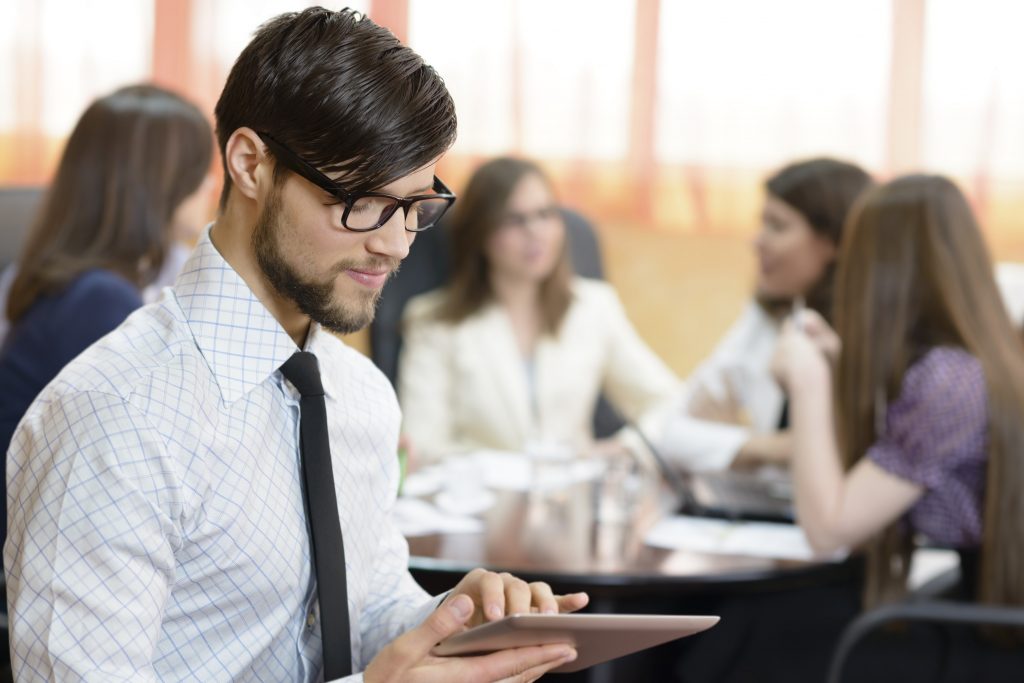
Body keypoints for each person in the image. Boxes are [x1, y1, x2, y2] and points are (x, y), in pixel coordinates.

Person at [4, 9, 585, 683]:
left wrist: (454, 623)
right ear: (250, 164)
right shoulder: (113, 416)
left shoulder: (359, 393)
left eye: (414, 208)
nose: (395, 243)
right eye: (363, 202)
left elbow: (359, 609)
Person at [772, 174, 1024, 608]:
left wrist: (809, 383)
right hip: (981, 603)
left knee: (739, 636)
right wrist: (836, 369)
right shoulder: (969, 363)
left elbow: (828, 530)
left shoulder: (950, 380)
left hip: (994, 631)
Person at [398, 156, 680, 465]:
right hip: (481, 504)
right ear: (480, 233)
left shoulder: (594, 307)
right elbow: (422, 447)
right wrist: (524, 471)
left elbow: (668, 403)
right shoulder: (433, 321)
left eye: (545, 214)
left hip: (572, 502)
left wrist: (623, 451)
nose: (535, 232)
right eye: (514, 220)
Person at [0, 84, 212, 483]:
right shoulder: (98, 302)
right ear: (155, 184)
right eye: (199, 170)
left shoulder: (76, 284)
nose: (209, 186)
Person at [653, 158, 872, 471]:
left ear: (834, 242)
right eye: (763, 224)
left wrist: (737, 445)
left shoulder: (875, 333)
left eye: (778, 226)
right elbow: (671, 432)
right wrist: (775, 447)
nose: (757, 241)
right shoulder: (771, 315)